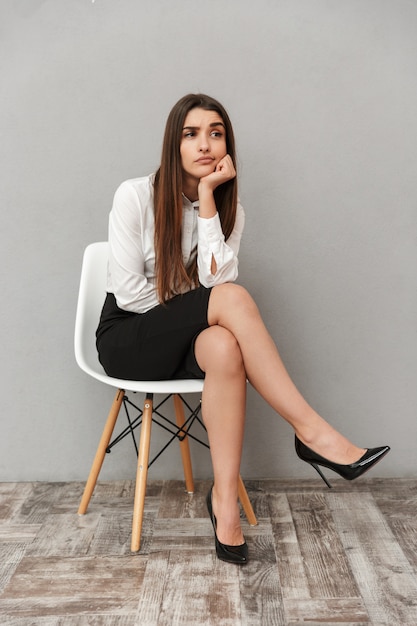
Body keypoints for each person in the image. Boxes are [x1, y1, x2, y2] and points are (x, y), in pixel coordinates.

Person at [96, 93, 390, 564]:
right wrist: (195, 307)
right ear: (174, 143)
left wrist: (209, 202)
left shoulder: (230, 210)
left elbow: (216, 281)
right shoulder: (134, 195)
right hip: (129, 337)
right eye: (192, 134)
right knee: (227, 304)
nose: (205, 144)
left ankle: (225, 506)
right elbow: (131, 294)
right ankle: (312, 432)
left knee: (225, 346)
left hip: (188, 338)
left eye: (216, 133)